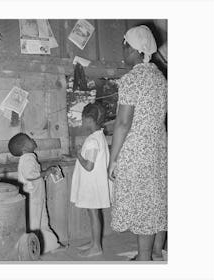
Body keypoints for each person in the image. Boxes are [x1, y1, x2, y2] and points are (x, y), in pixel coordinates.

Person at [108, 25, 167, 261]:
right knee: (157, 199)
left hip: (138, 152)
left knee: (143, 202)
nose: (123, 51)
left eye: (124, 46)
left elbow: (123, 123)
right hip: (159, 148)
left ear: (133, 49)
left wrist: (112, 160)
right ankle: (156, 251)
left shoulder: (131, 79)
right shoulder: (160, 77)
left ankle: (144, 259)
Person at [8, 133, 66, 254]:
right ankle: (32, 249)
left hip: (37, 197)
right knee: (36, 223)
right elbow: (30, 175)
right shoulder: (27, 158)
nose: (33, 139)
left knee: (43, 221)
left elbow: (34, 175)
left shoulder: (29, 156)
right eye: (29, 139)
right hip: (33, 198)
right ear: (24, 148)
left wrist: (45, 173)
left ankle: (51, 245)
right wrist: (46, 172)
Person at [70, 102, 112, 257]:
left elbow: (88, 166)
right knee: (93, 213)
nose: (82, 122)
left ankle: (96, 247)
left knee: (93, 214)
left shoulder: (93, 140)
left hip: (91, 184)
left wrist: (78, 155)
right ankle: (94, 241)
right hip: (94, 183)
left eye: (83, 118)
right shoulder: (98, 136)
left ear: (88, 119)